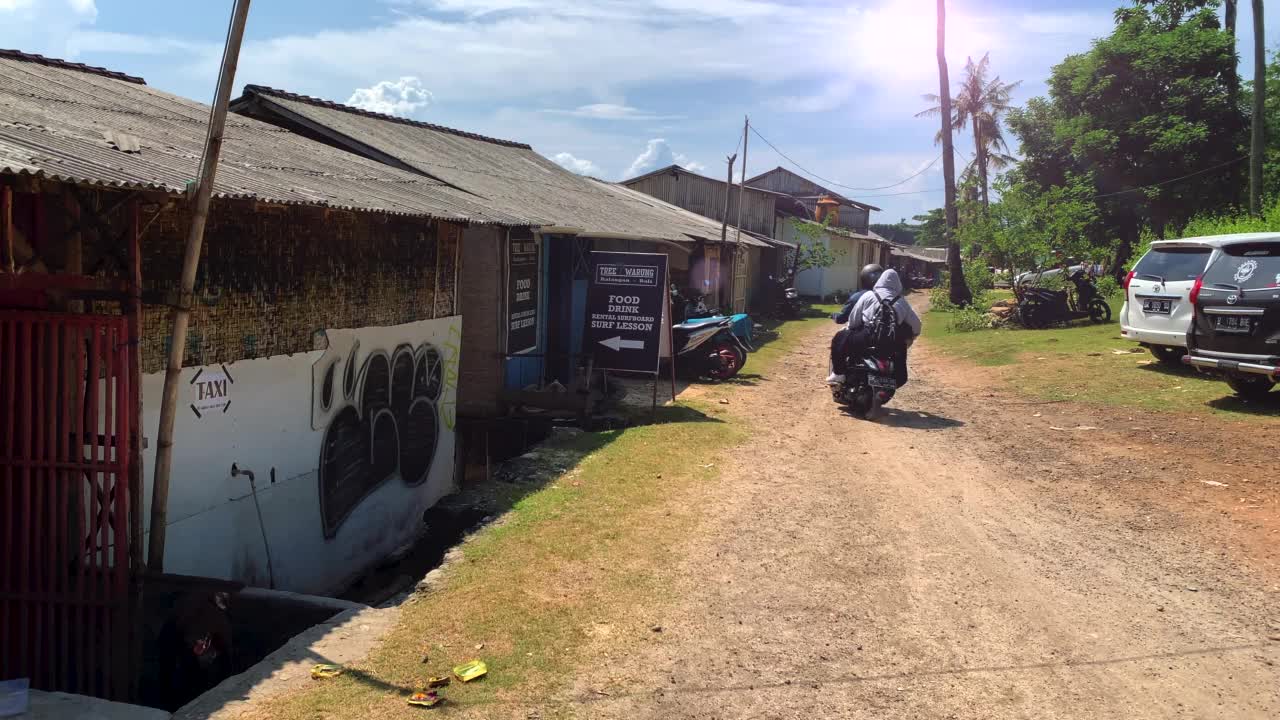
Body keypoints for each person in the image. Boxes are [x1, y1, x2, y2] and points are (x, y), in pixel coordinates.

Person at [826, 269, 922, 385]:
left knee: (839, 338)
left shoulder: (869, 295)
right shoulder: (901, 301)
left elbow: (853, 320)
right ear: (898, 283)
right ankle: (894, 380)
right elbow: (916, 326)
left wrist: (850, 331)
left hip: (868, 337)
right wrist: (909, 338)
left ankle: (838, 374)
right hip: (892, 341)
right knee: (900, 358)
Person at [828, 263, 883, 379]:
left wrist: (834, 316)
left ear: (863, 279)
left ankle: (838, 373)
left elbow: (845, 318)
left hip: (863, 335)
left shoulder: (859, 296)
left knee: (839, 340)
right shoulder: (892, 296)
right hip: (884, 338)